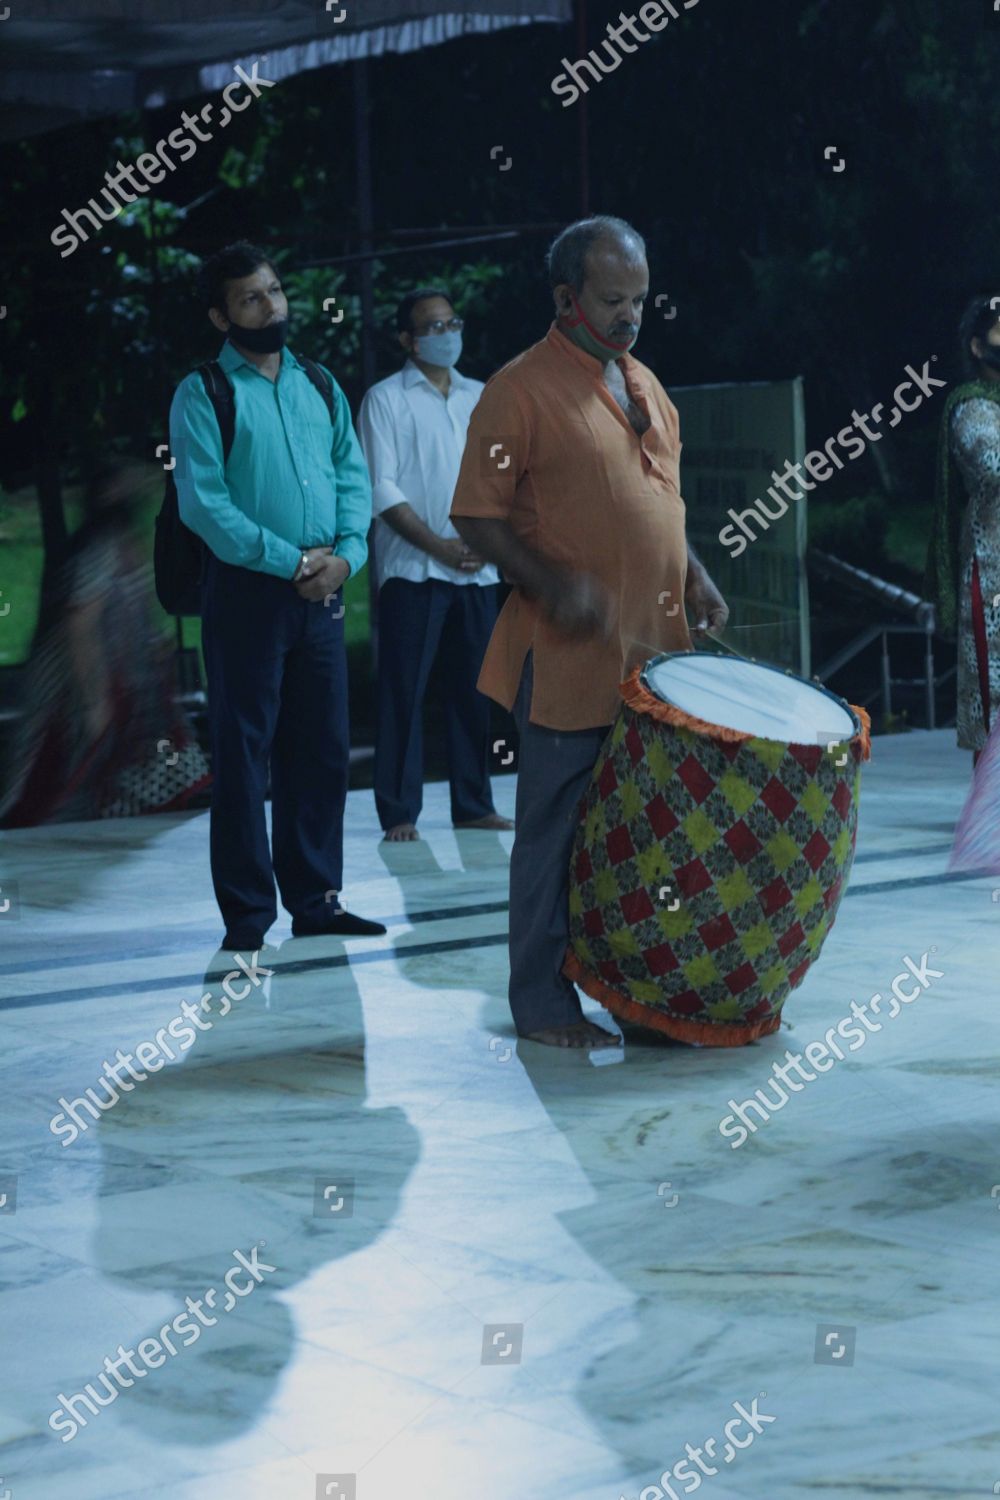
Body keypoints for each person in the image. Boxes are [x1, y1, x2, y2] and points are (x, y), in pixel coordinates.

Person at [450, 215, 729, 1049]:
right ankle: (540, 1003)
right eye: (612, 299)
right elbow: (474, 516)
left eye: (640, 299)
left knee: (643, 837)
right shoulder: (518, 390)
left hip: (656, 662)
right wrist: (551, 582)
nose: (629, 316)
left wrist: (696, 573)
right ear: (566, 296)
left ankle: (638, 994)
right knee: (554, 835)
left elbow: (664, 506)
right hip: (566, 659)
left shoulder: (645, 384)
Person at [169, 240, 385, 950]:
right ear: (220, 316)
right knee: (242, 754)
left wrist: (346, 560)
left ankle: (317, 901)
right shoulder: (204, 392)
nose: (272, 307)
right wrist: (288, 559)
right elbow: (205, 504)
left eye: (275, 291)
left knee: (319, 750)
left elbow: (353, 479)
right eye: (251, 298)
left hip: (322, 594)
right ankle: (248, 916)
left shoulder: (319, 384)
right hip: (246, 596)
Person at [358, 287, 514, 842]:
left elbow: (502, 477)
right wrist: (439, 546)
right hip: (414, 572)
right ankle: (399, 811)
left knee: (476, 691)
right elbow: (380, 487)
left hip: (478, 568)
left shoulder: (481, 396)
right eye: (432, 327)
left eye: (452, 324)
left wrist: (488, 543)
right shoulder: (386, 399)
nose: (446, 335)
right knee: (405, 692)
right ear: (407, 339)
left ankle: (473, 802)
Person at [0, 458, 210, 827]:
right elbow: (81, 626)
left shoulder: (124, 544)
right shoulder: (97, 549)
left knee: (150, 761)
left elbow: (139, 612)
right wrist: (95, 699)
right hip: (81, 692)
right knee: (70, 777)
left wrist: (158, 652)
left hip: (131, 688)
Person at [925, 290, 1000, 762]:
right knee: (996, 708)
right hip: (991, 582)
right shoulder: (970, 406)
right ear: (978, 346)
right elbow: (992, 463)